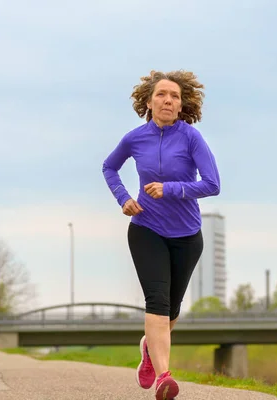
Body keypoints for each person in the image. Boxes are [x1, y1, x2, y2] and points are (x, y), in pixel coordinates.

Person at [102, 70, 220, 400]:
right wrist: (124, 198)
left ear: (182, 106)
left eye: (175, 96)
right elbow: (109, 167)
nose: (168, 100)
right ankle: (165, 377)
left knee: (172, 309)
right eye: (161, 95)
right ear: (149, 101)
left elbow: (212, 184)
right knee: (157, 300)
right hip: (146, 229)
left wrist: (171, 189)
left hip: (186, 236)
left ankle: (149, 351)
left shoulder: (192, 139)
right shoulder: (134, 138)